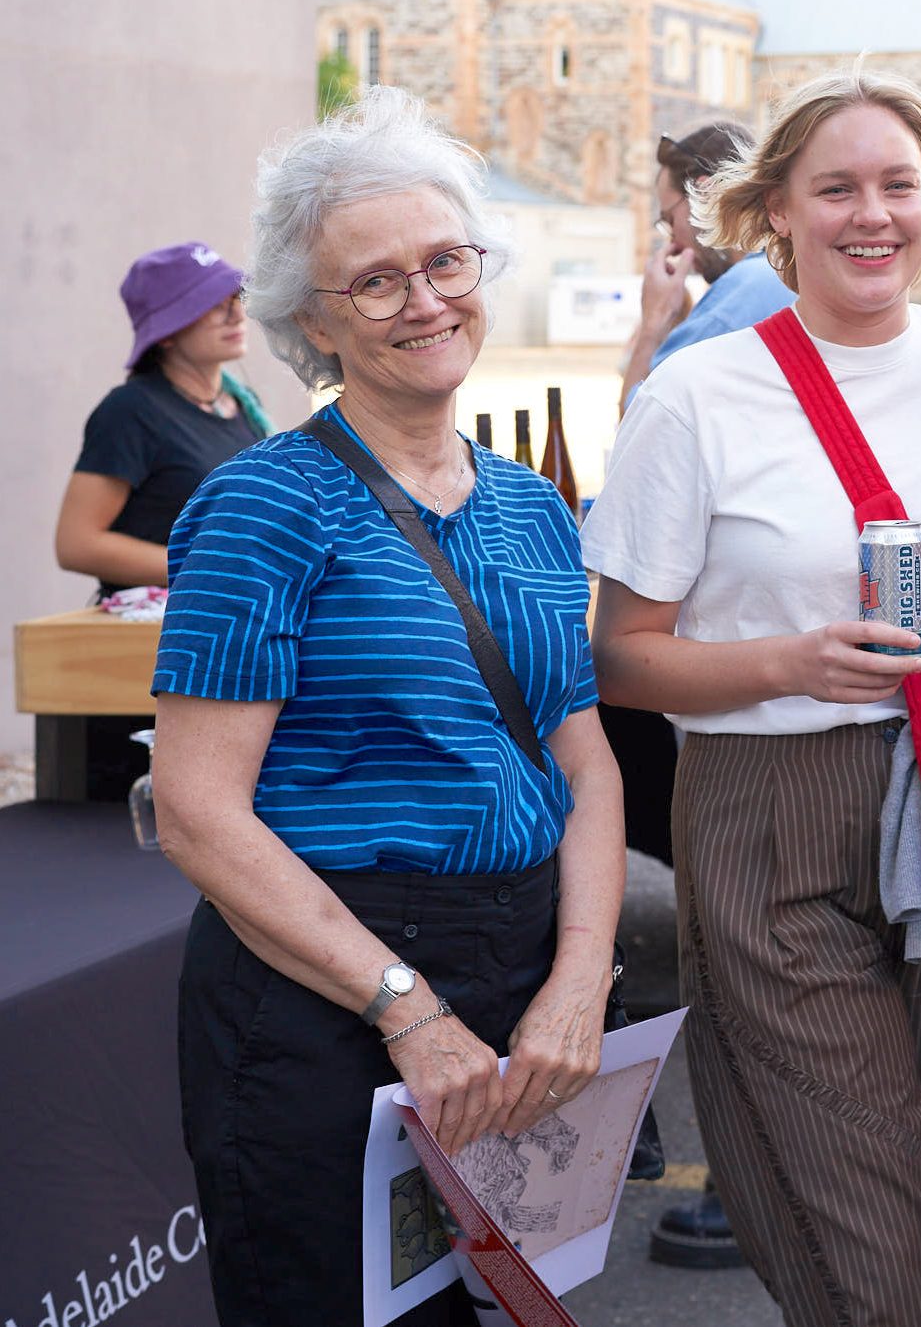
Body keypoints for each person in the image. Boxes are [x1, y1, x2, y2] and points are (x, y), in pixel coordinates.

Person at [583, 66, 921, 1327]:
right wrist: (788, 661)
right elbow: (620, 654)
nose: (874, 215)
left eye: (899, 186)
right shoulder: (695, 397)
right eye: (838, 188)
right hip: (765, 807)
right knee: (848, 1183)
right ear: (777, 217)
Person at [151, 86, 625, 1327]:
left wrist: (578, 979)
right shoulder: (264, 505)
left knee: (515, 1305)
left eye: (444, 261)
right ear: (314, 318)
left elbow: (583, 761)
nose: (424, 301)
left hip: (521, 971)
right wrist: (405, 1009)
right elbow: (200, 816)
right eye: (375, 283)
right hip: (324, 989)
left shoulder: (529, 508)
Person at [603, 119, 796, 1272]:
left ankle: (741, 1175)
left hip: (722, 679)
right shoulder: (781, 304)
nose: (661, 226)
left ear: (696, 209)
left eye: (665, 205)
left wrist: (648, 332)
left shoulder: (722, 324)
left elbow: (634, 477)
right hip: (774, 670)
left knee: (747, 933)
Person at [56, 242, 276, 799]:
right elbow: (77, 543)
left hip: (231, 646)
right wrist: (210, 572)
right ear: (168, 330)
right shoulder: (131, 411)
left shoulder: (239, 408)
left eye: (235, 297)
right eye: (210, 302)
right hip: (148, 667)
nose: (234, 312)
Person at [616, 121, 795, 411]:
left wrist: (653, 323)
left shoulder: (740, 295)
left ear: (706, 194)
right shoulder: (783, 271)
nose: (672, 243)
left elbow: (637, 420)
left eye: (670, 219)